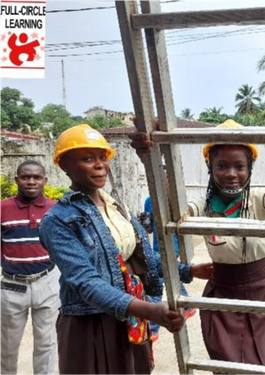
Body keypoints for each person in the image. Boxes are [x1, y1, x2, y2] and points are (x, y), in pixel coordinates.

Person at [39, 124, 210, 375]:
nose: (100, 165)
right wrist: (149, 309)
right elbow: (84, 281)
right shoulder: (59, 220)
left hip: (130, 315)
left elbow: (146, 260)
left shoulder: (117, 207)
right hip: (93, 321)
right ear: (64, 164)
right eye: (88, 159)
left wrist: (190, 270)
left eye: (102, 158)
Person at [130, 118, 265, 369]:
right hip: (221, 291)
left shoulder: (255, 199)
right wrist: (154, 157)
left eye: (239, 166)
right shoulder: (204, 205)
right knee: (228, 365)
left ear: (249, 168)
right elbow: (175, 211)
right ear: (210, 167)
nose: (231, 173)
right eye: (222, 165)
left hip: (262, 290)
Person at [0, 160, 60, 375]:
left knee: (47, 343)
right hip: (11, 286)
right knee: (7, 346)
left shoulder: (56, 209)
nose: (31, 181)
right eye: (26, 177)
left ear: (45, 180)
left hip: (47, 282)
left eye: (36, 177)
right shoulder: (2, 208)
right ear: (17, 180)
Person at [142, 197, 196, 323]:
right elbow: (148, 228)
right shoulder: (150, 201)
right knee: (169, 274)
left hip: (172, 245)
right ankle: (188, 306)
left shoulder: (174, 200)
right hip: (160, 246)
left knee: (158, 278)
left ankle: (153, 326)